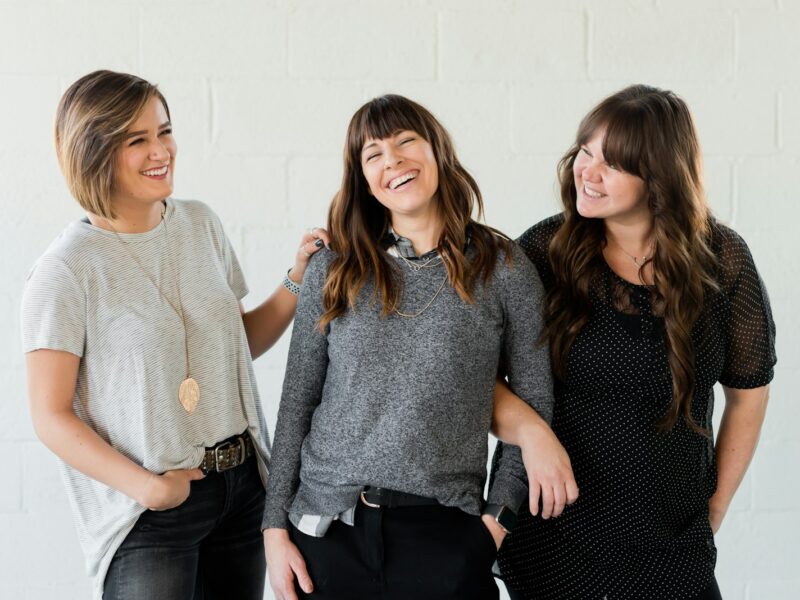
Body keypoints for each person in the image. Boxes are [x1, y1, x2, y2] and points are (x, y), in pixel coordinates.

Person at [21, 70, 328, 600]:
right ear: (93, 152)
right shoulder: (65, 270)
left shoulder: (200, 224)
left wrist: (297, 278)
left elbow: (235, 347)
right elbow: (50, 416)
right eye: (136, 140)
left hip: (242, 490)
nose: (161, 151)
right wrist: (149, 489)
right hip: (150, 513)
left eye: (164, 132)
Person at [261, 94, 567, 600]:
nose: (393, 161)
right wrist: (274, 530)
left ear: (437, 151)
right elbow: (297, 401)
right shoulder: (334, 268)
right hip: (325, 534)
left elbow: (535, 401)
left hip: (446, 538)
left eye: (406, 142)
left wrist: (494, 527)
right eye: (374, 154)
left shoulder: (503, 267)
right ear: (363, 179)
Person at [493, 84, 776, 600]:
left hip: (673, 541)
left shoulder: (723, 259)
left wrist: (715, 507)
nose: (587, 172)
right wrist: (532, 434)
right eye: (585, 152)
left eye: (613, 164)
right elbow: (471, 375)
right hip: (556, 538)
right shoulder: (541, 252)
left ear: (660, 177)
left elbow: (749, 395)